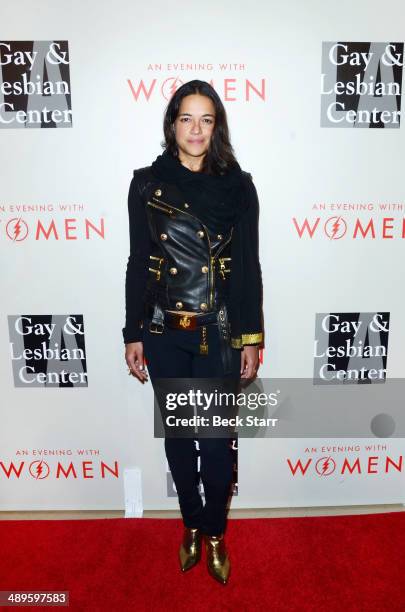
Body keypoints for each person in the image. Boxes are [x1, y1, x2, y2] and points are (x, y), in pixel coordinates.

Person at [122, 79, 264, 585]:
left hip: (221, 333)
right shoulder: (146, 184)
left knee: (217, 440)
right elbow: (140, 263)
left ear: (216, 126)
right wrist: (132, 332)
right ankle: (190, 525)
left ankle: (217, 532)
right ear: (172, 124)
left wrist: (252, 338)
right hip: (165, 334)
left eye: (206, 119)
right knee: (181, 441)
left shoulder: (239, 185)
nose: (196, 129)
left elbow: (247, 267)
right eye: (186, 118)